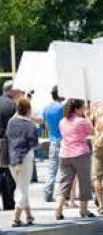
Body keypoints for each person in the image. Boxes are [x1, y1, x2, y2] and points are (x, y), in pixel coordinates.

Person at [55, 99, 94, 220]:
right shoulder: (82, 121)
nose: (84, 110)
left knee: (64, 182)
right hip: (80, 153)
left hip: (65, 154)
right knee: (84, 182)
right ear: (77, 109)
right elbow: (91, 131)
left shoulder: (62, 121)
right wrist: (87, 117)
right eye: (83, 108)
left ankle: (58, 207)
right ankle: (83, 210)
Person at [6, 98, 38, 227]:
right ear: (28, 110)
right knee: (22, 188)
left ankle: (29, 215)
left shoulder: (11, 122)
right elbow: (34, 143)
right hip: (25, 158)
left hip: (12, 159)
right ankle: (16, 218)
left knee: (21, 186)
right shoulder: (30, 125)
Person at [43, 86, 64, 202]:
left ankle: (48, 193)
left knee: (52, 168)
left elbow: (46, 126)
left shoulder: (46, 109)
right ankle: (63, 194)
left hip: (53, 140)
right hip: (64, 140)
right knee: (64, 169)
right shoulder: (63, 108)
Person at [0, 80, 18, 210]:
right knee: (8, 173)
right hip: (7, 142)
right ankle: (8, 202)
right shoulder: (12, 105)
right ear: (10, 90)